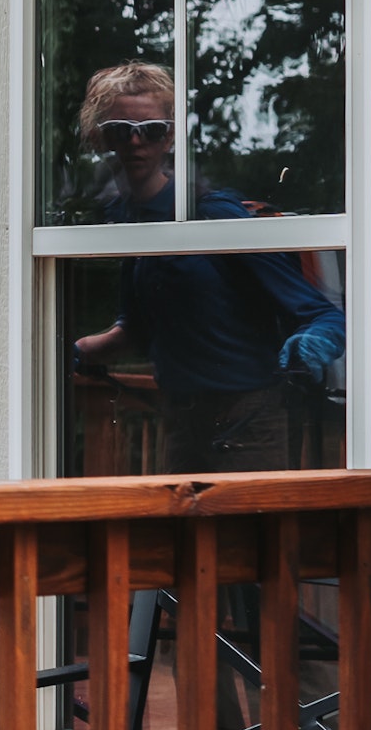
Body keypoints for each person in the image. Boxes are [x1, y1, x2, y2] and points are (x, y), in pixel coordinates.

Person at [69, 61, 345, 473]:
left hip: (252, 418)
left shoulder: (216, 215)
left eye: (153, 129)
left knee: (249, 538)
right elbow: (137, 329)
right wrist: (66, 352)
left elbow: (324, 316)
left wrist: (313, 343)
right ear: (100, 137)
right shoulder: (126, 220)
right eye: (119, 130)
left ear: (172, 137)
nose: (135, 141)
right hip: (180, 418)